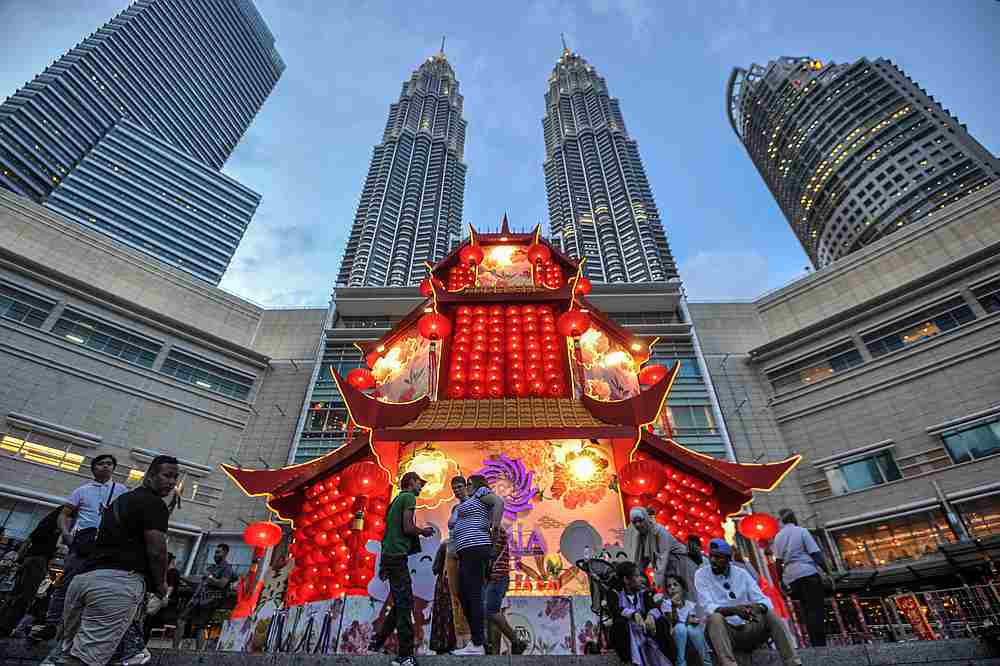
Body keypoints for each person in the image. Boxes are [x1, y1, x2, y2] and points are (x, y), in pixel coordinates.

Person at [52, 455, 177, 666]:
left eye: (175, 478)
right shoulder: (154, 504)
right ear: (150, 475)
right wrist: (161, 585)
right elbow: (157, 551)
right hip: (116, 585)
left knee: (68, 654)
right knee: (87, 660)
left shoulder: (121, 500)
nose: (172, 482)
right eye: (167, 475)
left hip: (83, 580)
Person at [32, 454, 127, 641]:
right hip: (82, 543)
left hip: (106, 546)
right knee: (66, 583)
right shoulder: (82, 490)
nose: (106, 467)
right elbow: (64, 514)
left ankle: (81, 628)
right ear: (94, 468)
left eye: (110, 464)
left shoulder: (121, 490)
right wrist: (66, 535)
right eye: (101, 464)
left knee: (98, 587)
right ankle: (52, 624)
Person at [695, 539, 799, 666]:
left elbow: (764, 600)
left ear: (728, 559)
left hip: (749, 626)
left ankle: (793, 662)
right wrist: (735, 610)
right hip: (726, 632)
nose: (713, 561)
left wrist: (756, 608)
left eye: (718, 557)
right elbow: (708, 607)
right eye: (711, 556)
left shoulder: (741, 574)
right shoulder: (701, 575)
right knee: (715, 618)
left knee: (770, 613)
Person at [376, 471, 434, 666]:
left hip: (389, 556)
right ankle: (405, 656)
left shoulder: (396, 501)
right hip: (396, 557)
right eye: (420, 482)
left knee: (402, 600)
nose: (421, 486)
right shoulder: (408, 497)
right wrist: (424, 531)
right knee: (404, 604)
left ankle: (376, 643)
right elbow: (408, 528)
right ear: (410, 483)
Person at [450, 474, 504, 656]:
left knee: (472, 594)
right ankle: (477, 640)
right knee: (463, 594)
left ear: (476, 484)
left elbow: (499, 503)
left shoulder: (482, 493)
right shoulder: (470, 501)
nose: (467, 486)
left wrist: (494, 527)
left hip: (476, 547)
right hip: (466, 551)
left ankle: (478, 643)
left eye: (469, 483)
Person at [0, 507, 61, 636]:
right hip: (38, 560)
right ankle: (6, 627)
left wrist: (20, 558)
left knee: (15, 595)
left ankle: (4, 624)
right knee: (24, 597)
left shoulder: (46, 523)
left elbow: (29, 539)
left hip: (30, 559)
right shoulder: (59, 523)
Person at [773, 509, 829, 647]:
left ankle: (814, 642)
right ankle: (820, 643)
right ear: (793, 518)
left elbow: (778, 562)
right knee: (816, 608)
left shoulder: (778, 537)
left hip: (791, 578)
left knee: (806, 609)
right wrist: (827, 572)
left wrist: (780, 581)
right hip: (808, 573)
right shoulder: (802, 531)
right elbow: (816, 554)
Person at [606, 561, 672, 666]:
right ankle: (627, 661)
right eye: (636, 576)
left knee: (662, 621)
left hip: (646, 633)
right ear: (626, 580)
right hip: (628, 635)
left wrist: (650, 616)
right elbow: (616, 610)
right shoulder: (614, 593)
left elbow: (654, 607)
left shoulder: (643, 593)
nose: (641, 580)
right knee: (620, 624)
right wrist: (634, 614)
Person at [173, 544, 236, 650]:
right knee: (181, 620)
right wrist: (182, 578)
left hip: (209, 600)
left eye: (218, 552)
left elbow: (222, 583)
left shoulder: (227, 568)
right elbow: (199, 581)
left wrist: (209, 577)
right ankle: (174, 649)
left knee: (200, 627)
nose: (215, 555)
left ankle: (199, 653)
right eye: (215, 552)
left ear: (225, 553)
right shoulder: (211, 567)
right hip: (197, 598)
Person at [483, 523, 527, 655]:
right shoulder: (492, 529)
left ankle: (516, 641)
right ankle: (494, 653)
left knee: (490, 611)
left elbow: (491, 553)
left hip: (496, 577)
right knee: (492, 615)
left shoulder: (495, 530)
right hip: (494, 578)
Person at [623, 507, 686, 586]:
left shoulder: (659, 531)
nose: (637, 524)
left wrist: (656, 583)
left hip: (681, 563)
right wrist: (635, 578)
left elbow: (662, 557)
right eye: (634, 522)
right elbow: (641, 561)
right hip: (667, 568)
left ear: (646, 519)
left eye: (640, 520)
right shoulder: (641, 536)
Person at [658, 574, 710, 666]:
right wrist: (673, 606)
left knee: (694, 630)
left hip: (689, 633)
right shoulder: (666, 603)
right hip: (675, 633)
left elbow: (692, 620)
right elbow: (673, 622)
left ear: (682, 588)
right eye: (669, 586)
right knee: (681, 628)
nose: (672, 588)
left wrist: (695, 620)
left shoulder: (689, 604)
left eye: (675, 584)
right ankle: (681, 662)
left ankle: (706, 661)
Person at [444, 476, 471, 650]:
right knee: (454, 595)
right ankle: (459, 636)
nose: (457, 490)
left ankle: (469, 637)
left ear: (467, 487)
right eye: (454, 488)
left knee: (467, 594)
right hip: (452, 553)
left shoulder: (474, 505)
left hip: (466, 554)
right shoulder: (455, 507)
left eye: (460, 487)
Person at [144, 553, 180, 643]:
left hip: (161, 600)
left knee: (149, 620)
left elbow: (170, 587)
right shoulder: (169, 572)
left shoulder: (171, 572)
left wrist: (166, 597)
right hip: (161, 599)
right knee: (149, 621)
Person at [429, 540, 456, 654]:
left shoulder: (445, 544)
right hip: (455, 584)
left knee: (441, 614)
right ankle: (452, 645)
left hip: (443, 586)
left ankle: (440, 645)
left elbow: (435, 568)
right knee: (452, 616)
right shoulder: (462, 543)